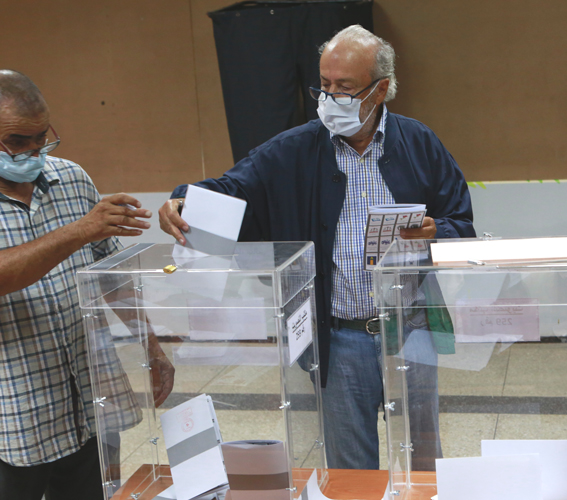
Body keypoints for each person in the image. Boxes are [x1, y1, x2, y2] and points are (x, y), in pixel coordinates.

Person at [159, 25, 475, 469]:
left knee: (422, 463)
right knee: (350, 472)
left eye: (344, 87)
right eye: (324, 85)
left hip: (411, 331)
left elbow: (462, 224)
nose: (330, 98)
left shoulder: (419, 143)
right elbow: (231, 188)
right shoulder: (293, 149)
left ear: (379, 89)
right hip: (338, 338)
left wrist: (435, 231)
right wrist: (182, 202)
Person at [0, 70, 173, 499]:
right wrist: (78, 231)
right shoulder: (81, 220)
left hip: (87, 399)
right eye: (17, 141)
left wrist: (151, 347)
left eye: (42, 137)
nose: (33, 152)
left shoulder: (72, 179)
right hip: (16, 414)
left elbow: (112, 277)